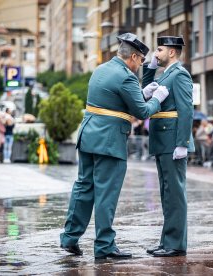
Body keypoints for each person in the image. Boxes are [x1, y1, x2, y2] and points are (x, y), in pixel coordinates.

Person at [59, 33, 169, 260]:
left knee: (83, 188)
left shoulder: (101, 69)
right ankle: (104, 245)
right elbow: (142, 112)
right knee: (106, 194)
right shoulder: (126, 77)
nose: (140, 66)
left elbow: (114, 100)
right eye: (140, 61)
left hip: (88, 136)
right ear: (135, 57)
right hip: (109, 141)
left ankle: (70, 237)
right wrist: (156, 97)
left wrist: (141, 93)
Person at [143, 36, 194, 257]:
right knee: (166, 193)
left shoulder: (180, 75)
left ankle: (175, 244)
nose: (156, 53)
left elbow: (186, 110)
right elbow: (145, 90)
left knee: (174, 193)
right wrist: (150, 67)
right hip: (162, 140)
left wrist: (182, 143)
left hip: (172, 141)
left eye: (159, 50)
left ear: (171, 52)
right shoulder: (166, 74)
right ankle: (167, 241)